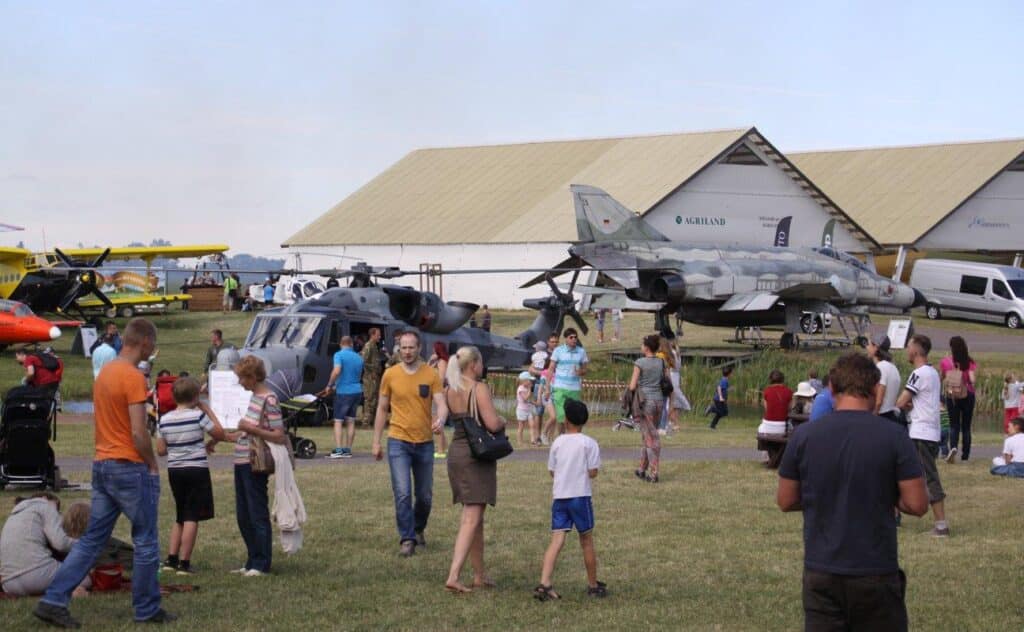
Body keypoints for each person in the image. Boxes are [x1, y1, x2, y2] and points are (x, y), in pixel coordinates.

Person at [34, 318, 174, 627]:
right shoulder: (134, 377)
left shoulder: (106, 372)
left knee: (91, 540)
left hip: (103, 465)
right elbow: (139, 433)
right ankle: (147, 608)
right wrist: (151, 462)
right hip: (129, 467)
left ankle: (54, 599)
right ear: (146, 342)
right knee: (146, 540)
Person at [777, 353, 928, 631]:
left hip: (822, 568)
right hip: (875, 568)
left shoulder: (804, 436)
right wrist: (884, 493)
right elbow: (918, 504)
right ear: (874, 390)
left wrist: (820, 494)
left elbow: (786, 500)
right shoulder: (894, 436)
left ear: (831, 389)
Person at [372, 331, 447, 557]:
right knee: (403, 492)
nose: (407, 352)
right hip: (398, 441)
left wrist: (441, 419)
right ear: (398, 349)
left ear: (419, 348)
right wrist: (376, 442)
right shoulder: (390, 375)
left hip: (424, 442)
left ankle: (418, 528)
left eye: (411, 348)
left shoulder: (431, 374)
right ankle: (407, 538)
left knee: (424, 495)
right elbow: (382, 408)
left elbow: (441, 403)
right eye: (403, 348)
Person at [156, 377, 236, 575]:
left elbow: (160, 450)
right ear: (195, 397)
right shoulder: (197, 416)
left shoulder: (163, 420)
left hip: (175, 469)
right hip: (196, 468)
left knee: (180, 514)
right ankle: (185, 562)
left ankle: (171, 558)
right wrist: (206, 409)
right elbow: (218, 433)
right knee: (192, 515)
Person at [443, 346, 505, 593]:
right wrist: (502, 421)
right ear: (474, 365)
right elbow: (491, 422)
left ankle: (479, 575)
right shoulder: (478, 388)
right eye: (481, 362)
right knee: (471, 517)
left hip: (457, 451)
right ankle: (454, 575)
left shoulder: (451, 389)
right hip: (475, 456)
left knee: (476, 517)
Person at [535, 398, 605, 601]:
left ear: (566, 420)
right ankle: (593, 585)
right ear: (584, 421)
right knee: (586, 540)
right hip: (580, 497)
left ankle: (545, 583)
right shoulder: (589, 443)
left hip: (560, 498)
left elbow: (552, 471)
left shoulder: (557, 442)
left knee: (557, 540)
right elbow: (593, 472)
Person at [231, 355, 287, 576]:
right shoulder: (254, 397)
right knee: (243, 515)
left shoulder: (269, 399)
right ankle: (251, 559)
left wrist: (251, 429)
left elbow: (279, 435)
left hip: (254, 464)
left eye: (242, 378)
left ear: (252, 377)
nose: (240, 383)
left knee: (256, 513)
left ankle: (262, 563)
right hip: (241, 460)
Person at [895, 334, 950, 537]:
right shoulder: (933, 373)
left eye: (909, 346)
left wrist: (894, 406)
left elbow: (901, 402)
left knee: (928, 477)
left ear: (916, 351)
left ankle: (941, 525)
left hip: (921, 433)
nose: (907, 350)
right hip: (931, 432)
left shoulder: (918, 374)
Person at [0, 494, 88, 597]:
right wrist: (87, 544)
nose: (58, 515)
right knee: (86, 577)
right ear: (45, 497)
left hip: (9, 584)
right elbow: (61, 543)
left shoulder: (15, 514)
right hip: (36, 575)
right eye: (57, 510)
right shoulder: (46, 506)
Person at [629, 334, 667, 483]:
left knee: (652, 438)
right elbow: (667, 382)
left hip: (646, 403)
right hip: (659, 401)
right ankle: (641, 469)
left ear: (646, 347)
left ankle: (654, 472)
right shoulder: (661, 362)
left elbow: (632, 386)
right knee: (647, 435)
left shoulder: (640, 362)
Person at [320, 336, 364, 459]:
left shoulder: (339, 355)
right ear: (351, 345)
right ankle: (347, 450)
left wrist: (330, 385)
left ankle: (339, 450)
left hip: (344, 392)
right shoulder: (359, 357)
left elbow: (337, 371)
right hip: (357, 391)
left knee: (338, 421)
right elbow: (355, 376)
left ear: (341, 344)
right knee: (350, 421)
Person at [940, 335, 977, 463]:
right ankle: (965, 456)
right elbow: (973, 380)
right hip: (968, 395)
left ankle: (953, 449)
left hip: (952, 396)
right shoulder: (969, 361)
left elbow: (942, 377)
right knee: (966, 427)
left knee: (954, 425)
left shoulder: (945, 362)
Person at [550, 328, 589, 434]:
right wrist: (546, 388)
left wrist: (581, 371)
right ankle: (561, 438)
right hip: (560, 387)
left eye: (575, 337)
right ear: (566, 339)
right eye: (571, 337)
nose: (574, 339)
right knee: (561, 415)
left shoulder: (581, 351)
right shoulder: (558, 351)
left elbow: (585, 369)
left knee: (576, 415)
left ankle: (577, 437)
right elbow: (551, 369)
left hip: (574, 388)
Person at [869, 334, 903, 424]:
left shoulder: (881, 368)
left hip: (881, 415)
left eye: (869, 345)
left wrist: (872, 419)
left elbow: (879, 400)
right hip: (891, 414)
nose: (867, 348)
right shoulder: (893, 367)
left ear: (875, 347)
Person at [427, 341, 450, 458]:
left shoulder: (442, 362)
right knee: (434, 421)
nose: (432, 351)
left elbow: (441, 379)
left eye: (434, 349)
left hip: (438, 394)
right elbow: (425, 371)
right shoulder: (435, 361)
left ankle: (441, 450)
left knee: (437, 423)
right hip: (433, 394)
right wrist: (431, 361)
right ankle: (444, 447)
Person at [360, 327, 384, 427]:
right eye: (378, 335)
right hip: (369, 377)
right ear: (372, 335)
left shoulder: (374, 346)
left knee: (374, 399)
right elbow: (363, 361)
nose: (380, 337)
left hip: (375, 377)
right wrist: (373, 369)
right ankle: (365, 422)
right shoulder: (368, 346)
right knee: (369, 399)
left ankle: (371, 421)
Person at [760, 369, 793, 436]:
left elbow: (767, 409)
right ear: (782, 379)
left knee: (760, 428)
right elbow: (790, 408)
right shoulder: (789, 391)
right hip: (782, 426)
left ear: (770, 379)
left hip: (767, 425)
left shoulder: (767, 391)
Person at [515, 371, 533, 446]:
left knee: (532, 425)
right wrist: (529, 389)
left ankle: (533, 440)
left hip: (528, 410)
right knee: (521, 426)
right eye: (529, 380)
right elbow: (525, 398)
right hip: (521, 410)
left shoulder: (526, 388)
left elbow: (528, 400)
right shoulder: (520, 389)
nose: (530, 382)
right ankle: (520, 441)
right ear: (524, 381)